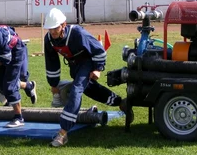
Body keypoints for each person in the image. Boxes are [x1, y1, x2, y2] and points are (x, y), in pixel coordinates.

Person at [42, 8, 131, 147]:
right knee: (90, 89)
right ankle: (120, 102)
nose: (52, 32)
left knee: (76, 90)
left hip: (87, 62)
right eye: (50, 29)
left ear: (63, 24)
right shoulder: (48, 39)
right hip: (74, 66)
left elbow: (99, 49)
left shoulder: (77, 33)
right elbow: (51, 62)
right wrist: (53, 84)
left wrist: (97, 68)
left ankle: (63, 133)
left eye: (55, 28)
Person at [0, 19, 37, 105]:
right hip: (3, 53)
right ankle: (28, 86)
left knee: (20, 77)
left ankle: (28, 87)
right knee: (2, 86)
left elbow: (4, 58)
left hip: (16, 51)